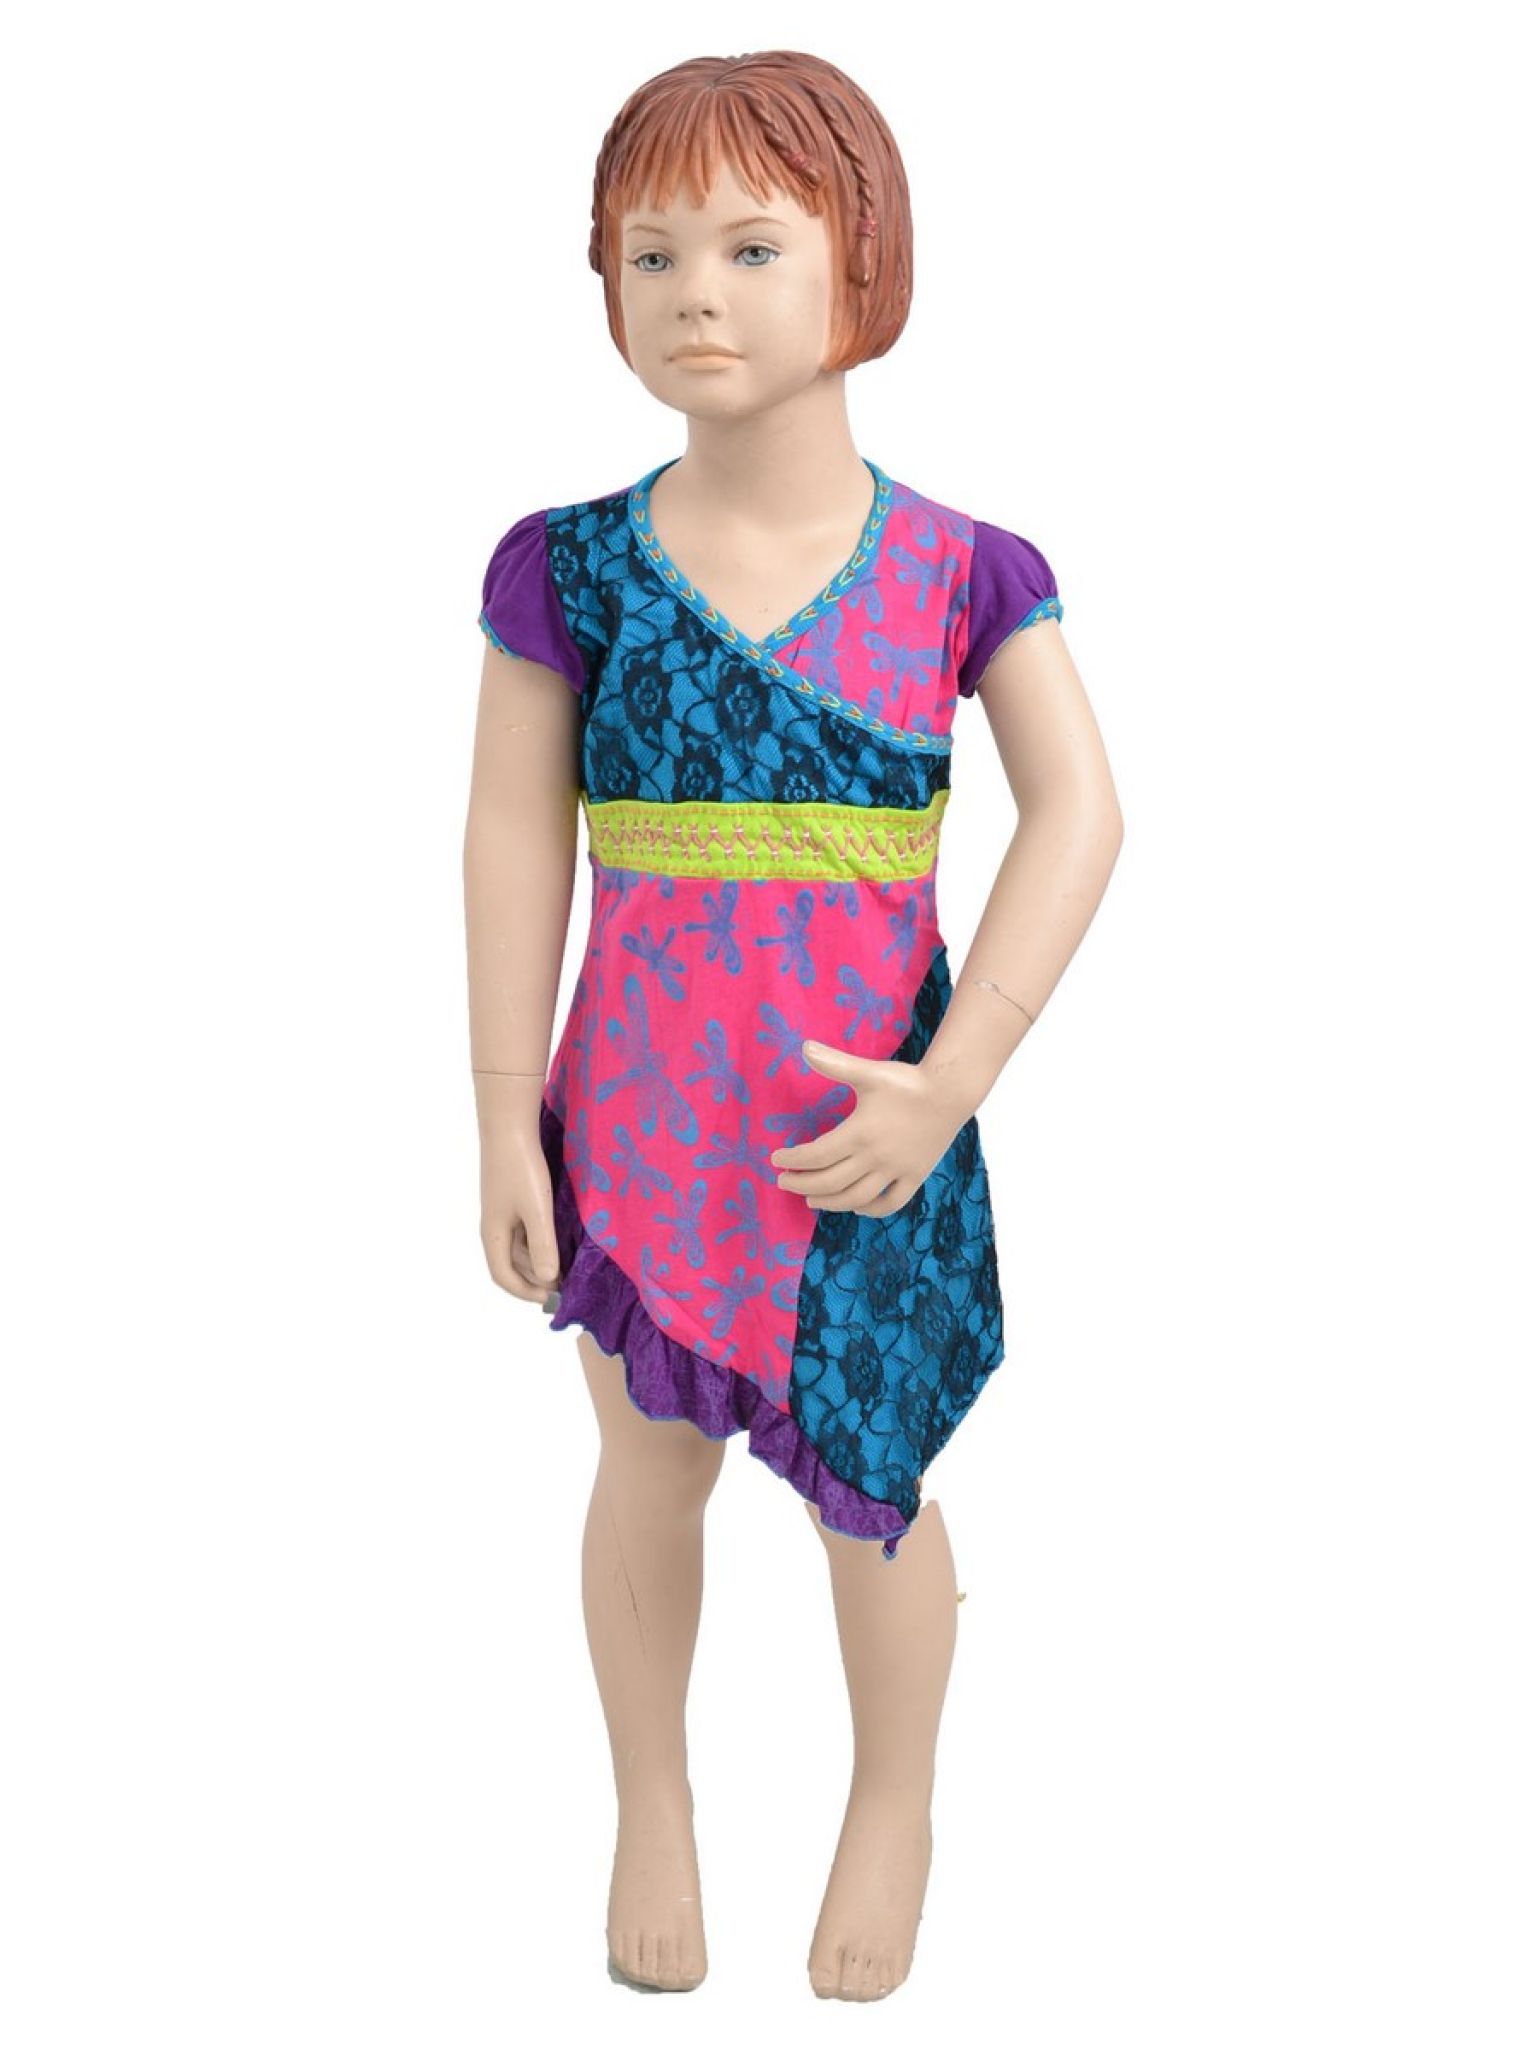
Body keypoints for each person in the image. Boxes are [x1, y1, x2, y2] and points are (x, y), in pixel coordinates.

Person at [462, 49, 1123, 2001]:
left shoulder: (961, 570)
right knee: (645, 1462)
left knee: (876, 1483)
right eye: (650, 251)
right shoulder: (567, 567)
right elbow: (512, 831)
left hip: (869, 1127)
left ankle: (893, 1800)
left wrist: (956, 1076)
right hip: (644, 1113)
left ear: (864, 261)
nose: (695, 293)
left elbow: (1083, 812)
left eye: (753, 246)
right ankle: (652, 1797)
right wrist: (499, 1113)